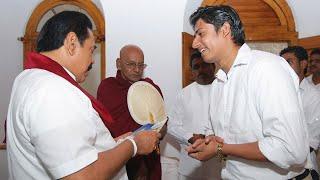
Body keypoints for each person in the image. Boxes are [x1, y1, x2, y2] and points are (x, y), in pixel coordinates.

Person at [6, 11, 160, 180]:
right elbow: (81, 175)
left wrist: (113, 144)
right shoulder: (52, 90)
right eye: (91, 50)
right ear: (72, 43)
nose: (93, 60)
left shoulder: (29, 78)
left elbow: (71, 151)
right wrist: (134, 145)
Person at [186, 5, 310, 179]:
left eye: (201, 33)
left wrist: (220, 148)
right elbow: (227, 149)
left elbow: (290, 148)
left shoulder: (266, 68)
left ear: (225, 30)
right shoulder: (218, 84)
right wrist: (212, 145)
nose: (194, 43)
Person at [97, 44, 164, 180]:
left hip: (149, 158)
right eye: (131, 64)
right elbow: (104, 128)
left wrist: (158, 133)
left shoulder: (150, 87)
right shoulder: (108, 87)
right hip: (119, 157)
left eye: (141, 65)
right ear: (119, 64)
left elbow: (163, 122)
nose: (137, 70)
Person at [168, 50, 221, 179]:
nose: (201, 69)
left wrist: (210, 137)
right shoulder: (183, 94)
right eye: (196, 67)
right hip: (190, 162)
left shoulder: (224, 90)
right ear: (192, 72)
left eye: (205, 65)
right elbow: (172, 125)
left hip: (217, 161)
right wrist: (190, 137)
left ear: (213, 66)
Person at [280, 46, 320, 178]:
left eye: (289, 62)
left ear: (303, 64)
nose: (284, 67)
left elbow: (310, 142)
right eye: (281, 63)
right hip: (278, 170)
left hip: (303, 171)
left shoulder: (314, 97)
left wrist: (275, 155)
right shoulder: (276, 93)